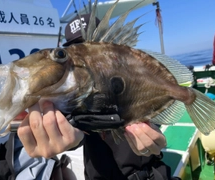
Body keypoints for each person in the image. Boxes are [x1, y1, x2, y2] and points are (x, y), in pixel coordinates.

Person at [17, 14, 175, 180]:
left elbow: (145, 102)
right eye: (76, 49)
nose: (86, 58)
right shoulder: (65, 95)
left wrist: (154, 131)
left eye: (92, 47)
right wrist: (52, 138)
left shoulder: (128, 71)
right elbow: (72, 133)